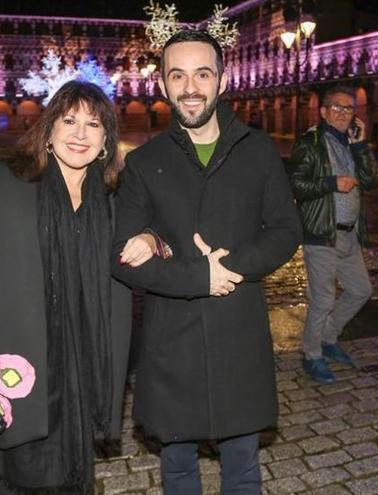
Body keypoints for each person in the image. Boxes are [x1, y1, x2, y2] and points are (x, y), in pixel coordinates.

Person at [0, 81, 162, 494]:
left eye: (93, 125)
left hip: (86, 348)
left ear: (106, 139)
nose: (80, 134)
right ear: (49, 129)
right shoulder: (8, 180)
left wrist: (149, 240)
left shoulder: (114, 193)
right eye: (69, 121)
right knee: (26, 459)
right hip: (23, 343)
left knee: (75, 461)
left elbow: (153, 232)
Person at [112, 30, 302, 494]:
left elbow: (285, 231)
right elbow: (121, 259)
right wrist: (199, 273)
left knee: (242, 464)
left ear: (222, 79)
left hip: (238, 329)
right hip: (171, 339)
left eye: (202, 73)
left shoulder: (257, 151)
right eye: (178, 75)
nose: (190, 87)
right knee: (177, 464)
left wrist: (231, 267)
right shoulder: (144, 163)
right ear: (162, 83)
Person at [286, 85, 378, 384]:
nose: (343, 113)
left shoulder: (352, 142)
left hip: (349, 236)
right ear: (324, 111)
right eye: (337, 107)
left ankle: (328, 338)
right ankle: (312, 355)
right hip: (321, 233)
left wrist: (361, 146)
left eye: (349, 108)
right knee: (323, 300)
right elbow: (295, 185)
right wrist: (330, 183)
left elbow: (373, 180)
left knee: (360, 291)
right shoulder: (310, 143)